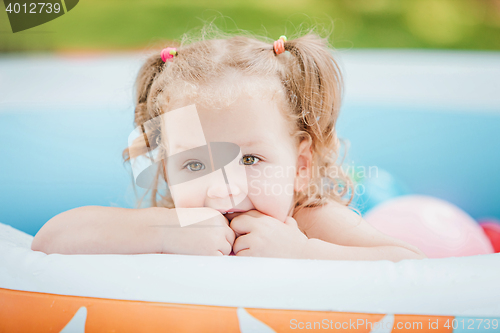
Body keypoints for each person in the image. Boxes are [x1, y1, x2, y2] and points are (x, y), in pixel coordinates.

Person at [31, 28, 426, 262]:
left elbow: (414, 267)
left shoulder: (311, 223)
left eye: (251, 159)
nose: (224, 188)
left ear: (301, 166)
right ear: (167, 169)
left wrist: (306, 255)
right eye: (195, 165)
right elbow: (50, 239)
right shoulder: (172, 220)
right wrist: (161, 233)